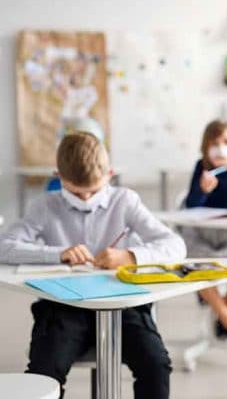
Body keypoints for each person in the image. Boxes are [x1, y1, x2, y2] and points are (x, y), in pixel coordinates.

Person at [0, 132, 185, 399]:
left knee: (156, 366)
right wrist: (58, 254)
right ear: (58, 177)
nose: (86, 198)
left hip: (124, 306)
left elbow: (175, 245)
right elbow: (5, 246)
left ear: (110, 174)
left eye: (94, 190)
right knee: (43, 373)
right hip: (62, 306)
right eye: (76, 192)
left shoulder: (125, 201)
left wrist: (131, 256)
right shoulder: (45, 205)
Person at [183, 120, 227, 335]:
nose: (221, 147)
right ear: (206, 147)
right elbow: (191, 205)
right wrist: (202, 190)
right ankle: (225, 315)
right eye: (215, 143)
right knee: (194, 262)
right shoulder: (202, 167)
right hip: (204, 235)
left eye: (226, 141)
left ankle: (226, 307)